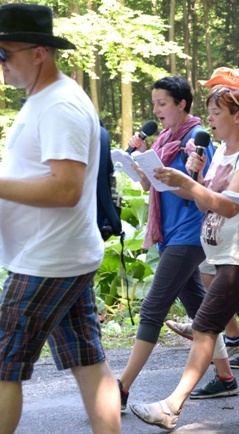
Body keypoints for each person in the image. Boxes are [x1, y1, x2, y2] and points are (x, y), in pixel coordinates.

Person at [0, 4, 120, 433]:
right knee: (89, 362)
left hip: (46, 260)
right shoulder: (44, 99)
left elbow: (66, 188)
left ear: (38, 53)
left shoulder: (59, 105)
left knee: (3, 365)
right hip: (62, 255)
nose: (0, 65)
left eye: (4, 54)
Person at [129, 85, 239, 431]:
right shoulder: (222, 151)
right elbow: (201, 203)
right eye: (208, 113)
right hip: (219, 255)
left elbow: (226, 205)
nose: (209, 121)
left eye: (217, 114)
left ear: (238, 116)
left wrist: (189, 182)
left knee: (206, 326)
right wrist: (189, 177)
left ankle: (172, 405)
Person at [117, 75, 215, 410]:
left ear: (181, 104)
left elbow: (201, 192)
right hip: (169, 232)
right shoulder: (163, 141)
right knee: (203, 312)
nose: (156, 110)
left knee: (152, 309)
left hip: (190, 232)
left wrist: (174, 179)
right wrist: (141, 166)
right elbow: (150, 188)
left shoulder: (198, 141)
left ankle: (122, 387)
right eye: (155, 103)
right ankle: (228, 378)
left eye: (163, 103)